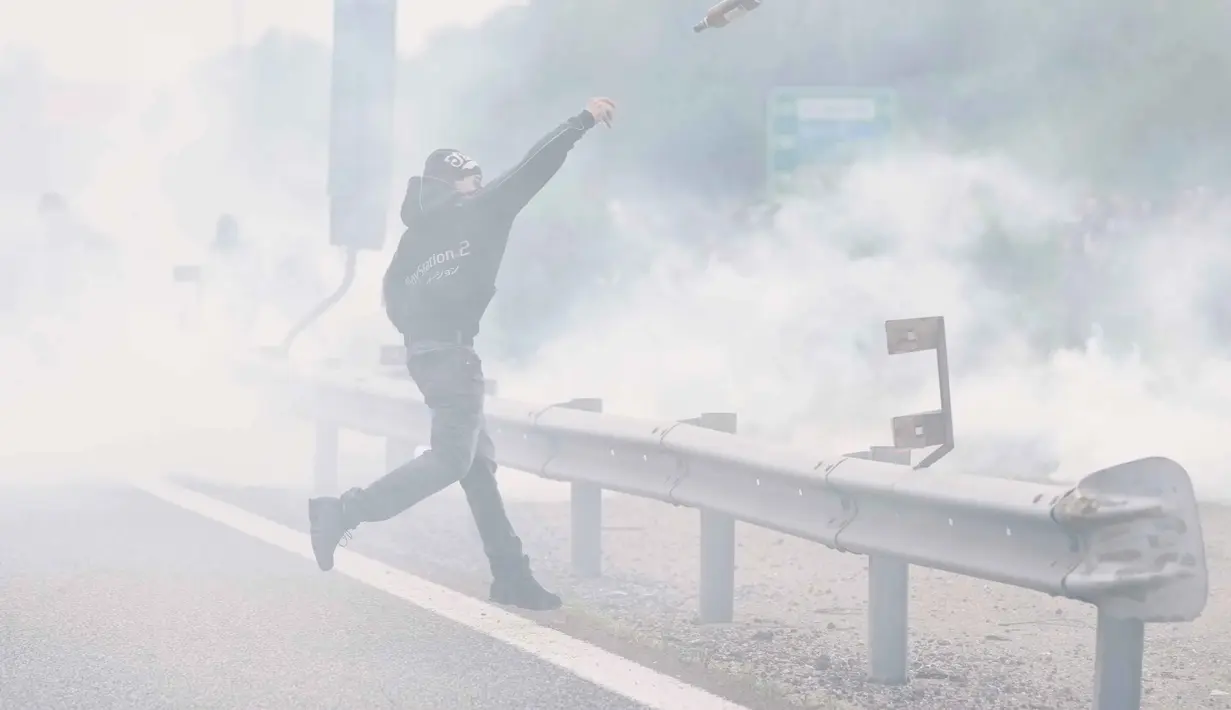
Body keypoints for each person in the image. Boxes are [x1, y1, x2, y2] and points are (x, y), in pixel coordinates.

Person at [308, 97, 617, 610]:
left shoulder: (416, 236)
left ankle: (511, 574)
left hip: (427, 357)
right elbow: (530, 170)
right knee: (452, 460)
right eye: (473, 178)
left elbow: (395, 300)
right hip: (453, 358)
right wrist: (580, 121)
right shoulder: (480, 210)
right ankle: (342, 512)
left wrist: (427, 338)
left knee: (477, 466)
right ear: (457, 185)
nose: (481, 183)